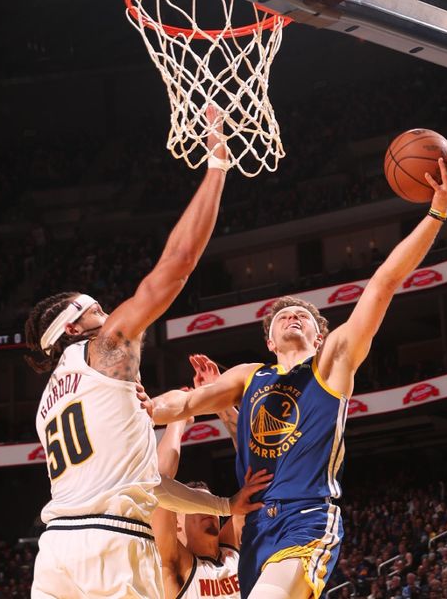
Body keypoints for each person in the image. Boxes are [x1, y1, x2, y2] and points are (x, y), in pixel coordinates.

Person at [143, 155, 447, 598]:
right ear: (270, 342)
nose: (291, 314)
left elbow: (384, 282)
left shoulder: (332, 364)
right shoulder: (250, 376)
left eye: (304, 315)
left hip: (306, 516)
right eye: (281, 316)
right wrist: (139, 408)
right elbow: (183, 405)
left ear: (320, 336)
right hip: (254, 529)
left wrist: (437, 212)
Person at [25, 108, 270, 599]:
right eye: (96, 308)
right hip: (113, 544)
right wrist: (217, 167)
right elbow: (175, 267)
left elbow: (147, 484)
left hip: (54, 551)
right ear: (73, 326)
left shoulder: (48, 403)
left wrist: (223, 505)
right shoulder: (104, 348)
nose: (109, 311)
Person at [151, 357, 244, 598]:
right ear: (177, 522)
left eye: (210, 504)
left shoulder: (234, 552)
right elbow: (157, 480)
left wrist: (218, 397)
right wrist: (177, 421)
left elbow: (252, 466)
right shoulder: (176, 566)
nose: (209, 509)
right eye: (196, 505)